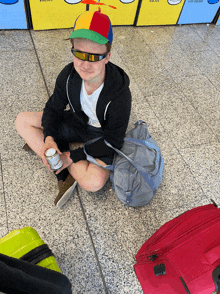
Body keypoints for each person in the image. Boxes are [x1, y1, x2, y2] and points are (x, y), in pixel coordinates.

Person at [15, 10, 132, 207]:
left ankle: (60, 163)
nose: (85, 64)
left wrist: (72, 156)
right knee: (21, 120)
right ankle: (60, 164)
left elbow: (113, 141)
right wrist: (49, 137)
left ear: (107, 56)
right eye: (79, 54)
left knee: (94, 182)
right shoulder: (68, 75)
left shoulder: (120, 95)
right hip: (78, 123)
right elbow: (53, 108)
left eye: (94, 56)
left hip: (100, 136)